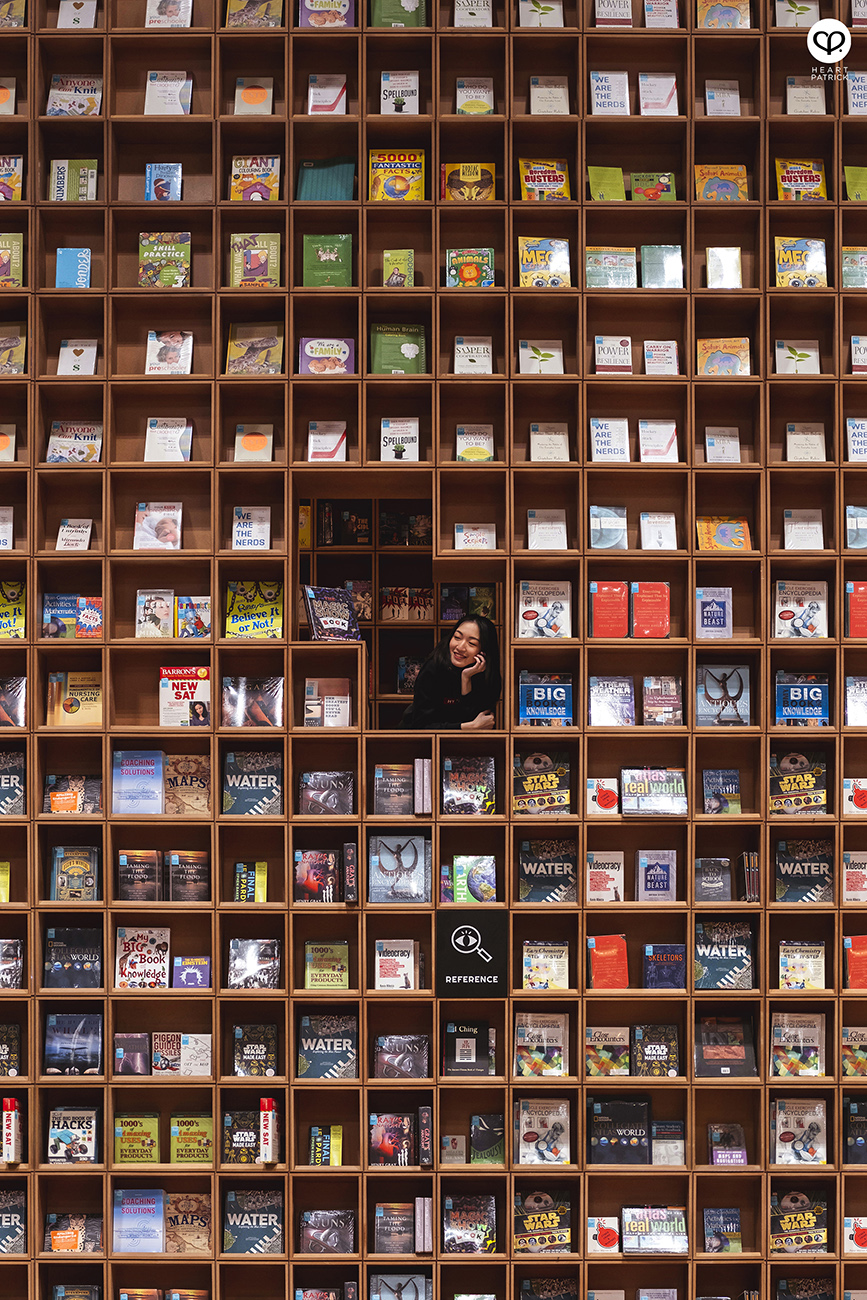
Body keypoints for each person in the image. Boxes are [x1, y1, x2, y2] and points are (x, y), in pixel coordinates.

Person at [400, 616, 501, 730]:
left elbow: (479, 722)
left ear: (484, 651)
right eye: (457, 637)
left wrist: (466, 678)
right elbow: (420, 726)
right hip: (422, 743)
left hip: (467, 745)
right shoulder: (433, 668)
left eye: (471, 643)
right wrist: (466, 727)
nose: (460, 647)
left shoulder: (488, 676)